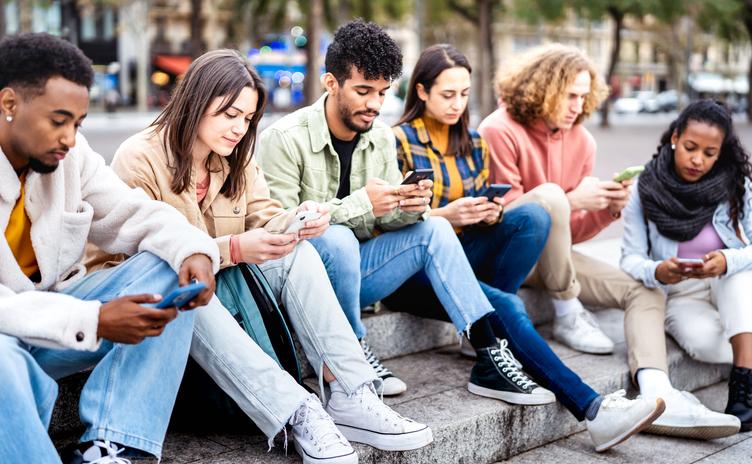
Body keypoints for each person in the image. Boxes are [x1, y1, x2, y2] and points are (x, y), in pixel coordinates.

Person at [258, 21, 665, 452]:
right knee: (338, 239)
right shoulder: (284, 138)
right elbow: (280, 229)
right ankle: (352, 358)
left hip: (371, 271)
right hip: (312, 283)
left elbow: (396, 222)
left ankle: (564, 393)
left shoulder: (377, 137)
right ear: (330, 82)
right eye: (363, 91)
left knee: (444, 240)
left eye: (382, 92)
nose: (375, 104)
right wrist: (364, 205)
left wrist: (411, 205)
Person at [85, 49, 433, 464]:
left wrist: (298, 220)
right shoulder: (140, 156)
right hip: (144, 305)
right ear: (196, 101)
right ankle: (297, 411)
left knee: (299, 253)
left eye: (247, 118)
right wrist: (234, 248)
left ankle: (351, 391)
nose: (238, 128)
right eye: (229, 114)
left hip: (224, 291)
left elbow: (264, 216)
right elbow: (139, 261)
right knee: (188, 281)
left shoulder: (236, 156)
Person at [389, 42, 671, 450]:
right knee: (507, 304)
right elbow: (389, 224)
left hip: (464, 256)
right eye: (447, 94)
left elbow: (519, 221)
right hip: (414, 269)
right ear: (421, 91)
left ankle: (487, 338)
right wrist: (447, 216)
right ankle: (593, 410)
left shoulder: (472, 142)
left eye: (464, 94)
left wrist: (489, 213)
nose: (457, 104)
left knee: (534, 217)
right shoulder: (396, 141)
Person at [478, 43, 739, 439]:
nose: (577, 105)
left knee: (645, 290)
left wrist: (604, 209)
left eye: (584, 96)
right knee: (548, 196)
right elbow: (507, 217)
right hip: (510, 255)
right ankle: (568, 311)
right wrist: (569, 201)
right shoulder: (498, 129)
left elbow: (571, 233)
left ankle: (659, 394)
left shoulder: (582, 140)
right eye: (570, 95)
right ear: (542, 86)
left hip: (558, 259)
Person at [0, 33, 220, 464]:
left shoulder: (69, 154)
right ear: (9, 104)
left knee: (165, 263)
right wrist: (96, 319)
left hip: (53, 322)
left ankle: (114, 444)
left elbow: (131, 211)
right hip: (10, 336)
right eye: (58, 120)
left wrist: (193, 250)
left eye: (77, 124)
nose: (69, 137)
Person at [621, 100, 748, 433]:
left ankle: (743, 392)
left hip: (730, 283)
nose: (698, 160)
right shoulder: (644, 187)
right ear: (675, 136)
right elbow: (630, 257)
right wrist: (658, 270)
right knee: (703, 344)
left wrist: (726, 259)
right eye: (691, 147)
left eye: (709, 153)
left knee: (736, 276)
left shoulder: (736, 186)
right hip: (680, 291)